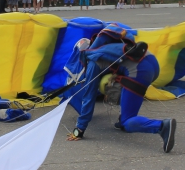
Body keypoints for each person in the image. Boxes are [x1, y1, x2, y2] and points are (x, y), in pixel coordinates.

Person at [62, 24, 177, 153]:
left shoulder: (92, 59)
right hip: (152, 62)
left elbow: (89, 96)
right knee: (122, 84)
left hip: (139, 71)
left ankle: (161, 126)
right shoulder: (105, 46)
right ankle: (123, 119)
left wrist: (80, 129)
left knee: (128, 121)